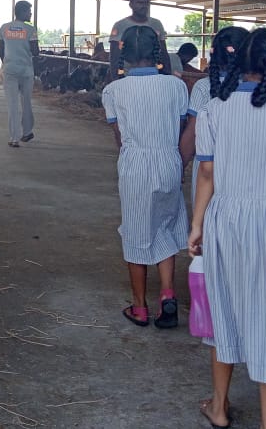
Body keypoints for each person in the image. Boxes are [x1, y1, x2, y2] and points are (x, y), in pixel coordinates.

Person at [189, 28, 266, 429]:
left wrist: (197, 225)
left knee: (224, 309)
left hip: (225, 220)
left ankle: (219, 408)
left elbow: (207, 174)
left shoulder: (214, 109)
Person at [101, 25, 188, 330]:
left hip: (136, 162)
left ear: (123, 54)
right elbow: (180, 126)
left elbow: (119, 136)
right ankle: (167, 294)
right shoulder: (176, 86)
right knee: (165, 225)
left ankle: (139, 307)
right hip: (169, 159)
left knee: (136, 231)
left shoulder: (114, 90)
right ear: (157, 52)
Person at [179, 26, 250, 206]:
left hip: (206, 171)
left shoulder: (204, 86)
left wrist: (180, 167)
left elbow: (192, 133)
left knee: (204, 218)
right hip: (246, 172)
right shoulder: (257, 90)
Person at [0, 0, 39, 147]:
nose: (30, 14)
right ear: (22, 12)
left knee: (12, 104)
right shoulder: (30, 30)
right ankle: (27, 132)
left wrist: (7, 63)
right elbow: (36, 52)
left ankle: (14, 138)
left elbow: (1, 51)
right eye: (29, 11)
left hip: (10, 70)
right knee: (26, 101)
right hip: (26, 70)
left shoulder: (4, 28)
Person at [108, 0, 171, 74]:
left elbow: (163, 52)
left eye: (146, 3)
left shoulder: (156, 24)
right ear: (131, 5)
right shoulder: (120, 26)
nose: (144, 6)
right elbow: (114, 57)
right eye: (140, 3)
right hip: (127, 76)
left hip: (153, 74)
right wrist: (116, 79)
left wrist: (168, 74)